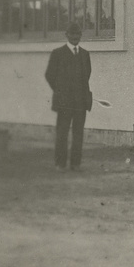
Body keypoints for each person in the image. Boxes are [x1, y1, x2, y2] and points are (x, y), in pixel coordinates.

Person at [45, 22, 93, 171]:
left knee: (78, 133)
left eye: (77, 34)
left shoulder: (85, 54)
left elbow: (87, 76)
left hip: (80, 102)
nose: (75, 37)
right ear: (67, 35)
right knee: (62, 133)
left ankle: (75, 164)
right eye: (72, 34)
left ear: (80, 36)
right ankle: (60, 164)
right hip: (64, 101)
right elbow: (50, 75)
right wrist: (61, 91)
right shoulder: (58, 53)